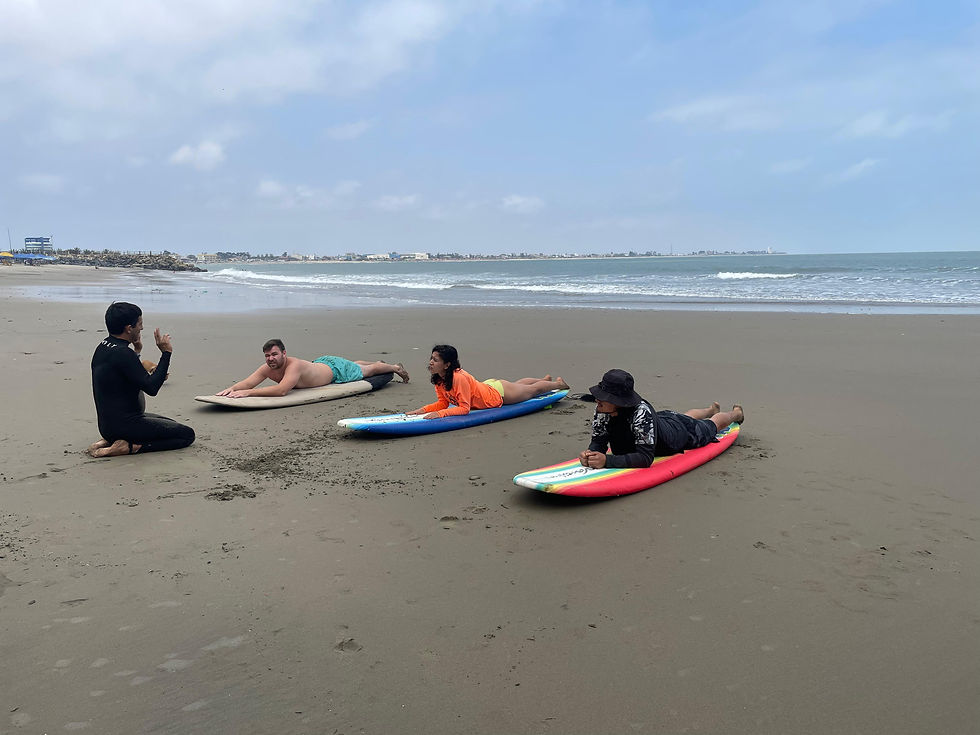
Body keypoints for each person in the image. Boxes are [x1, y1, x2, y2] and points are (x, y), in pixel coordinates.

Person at [88, 302, 195, 458]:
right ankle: (129, 447)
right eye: (140, 324)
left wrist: (137, 351)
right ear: (128, 328)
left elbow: (128, 375)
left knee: (170, 423)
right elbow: (151, 388)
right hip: (125, 426)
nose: (142, 328)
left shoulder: (103, 346)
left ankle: (109, 440)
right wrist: (166, 354)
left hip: (108, 425)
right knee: (186, 435)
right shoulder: (123, 353)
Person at [579, 368, 743, 469]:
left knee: (710, 425)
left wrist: (607, 461)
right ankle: (710, 409)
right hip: (661, 421)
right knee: (683, 417)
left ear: (618, 401)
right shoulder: (602, 410)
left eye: (603, 397)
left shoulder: (641, 414)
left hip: (677, 435)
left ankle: (736, 413)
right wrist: (591, 453)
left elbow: (645, 458)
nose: (597, 400)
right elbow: (598, 441)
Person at [406, 344, 569, 419]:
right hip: (487, 387)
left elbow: (464, 409)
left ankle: (557, 384)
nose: (431, 362)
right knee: (519, 385)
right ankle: (543, 380)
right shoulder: (439, 379)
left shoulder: (458, 378)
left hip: (499, 394)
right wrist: (421, 410)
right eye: (431, 358)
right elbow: (443, 402)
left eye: (435, 360)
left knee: (533, 391)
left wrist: (439, 415)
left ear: (447, 364)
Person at [217, 339, 409, 398]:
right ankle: (358, 363)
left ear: (284, 353)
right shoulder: (268, 367)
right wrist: (233, 389)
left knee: (369, 370)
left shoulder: (294, 365)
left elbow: (282, 390)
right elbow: (249, 382)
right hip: (322, 363)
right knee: (353, 363)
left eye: (274, 354)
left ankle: (394, 367)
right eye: (267, 356)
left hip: (336, 372)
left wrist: (248, 394)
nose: (270, 359)